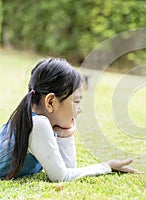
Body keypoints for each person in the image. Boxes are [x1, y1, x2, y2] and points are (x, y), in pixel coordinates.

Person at [0, 58, 136, 181]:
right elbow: (61, 177)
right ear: (51, 102)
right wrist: (107, 166)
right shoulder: (38, 125)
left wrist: (65, 135)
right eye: (76, 101)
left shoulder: (33, 120)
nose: (80, 109)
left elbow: (68, 167)